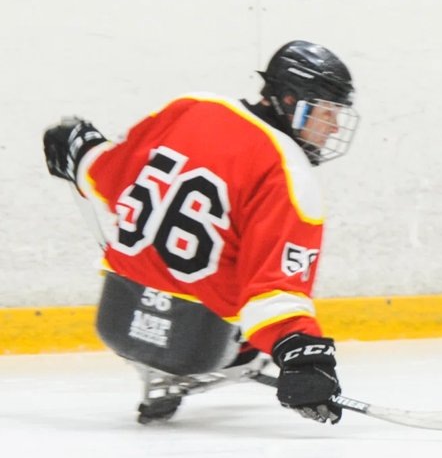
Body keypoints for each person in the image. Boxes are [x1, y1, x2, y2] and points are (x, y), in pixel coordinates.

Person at [42, 40, 359, 425]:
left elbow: (114, 171)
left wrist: (82, 151)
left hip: (119, 318)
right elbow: (275, 289)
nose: (333, 128)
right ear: (291, 101)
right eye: (327, 113)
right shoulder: (288, 172)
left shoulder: (191, 107)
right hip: (197, 347)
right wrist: (304, 358)